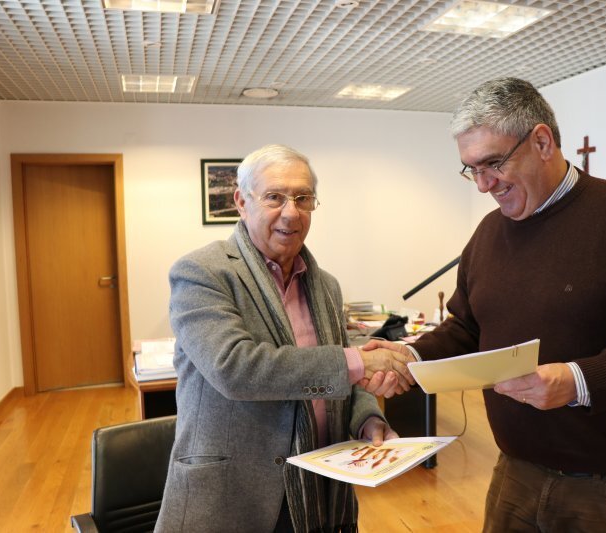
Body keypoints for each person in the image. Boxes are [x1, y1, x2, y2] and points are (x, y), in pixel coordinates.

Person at [364, 78, 606, 532]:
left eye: (493, 163)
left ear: (542, 142)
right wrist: (409, 356)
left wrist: (578, 381)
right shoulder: (489, 233)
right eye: (472, 169)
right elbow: (468, 327)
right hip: (516, 467)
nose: (483, 185)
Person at [155, 144, 414, 533]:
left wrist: (367, 419)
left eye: (303, 198)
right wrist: (360, 360)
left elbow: (337, 377)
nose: (291, 212)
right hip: (234, 494)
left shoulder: (325, 285)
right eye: (274, 197)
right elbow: (236, 369)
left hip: (318, 489)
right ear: (241, 202)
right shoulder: (202, 272)